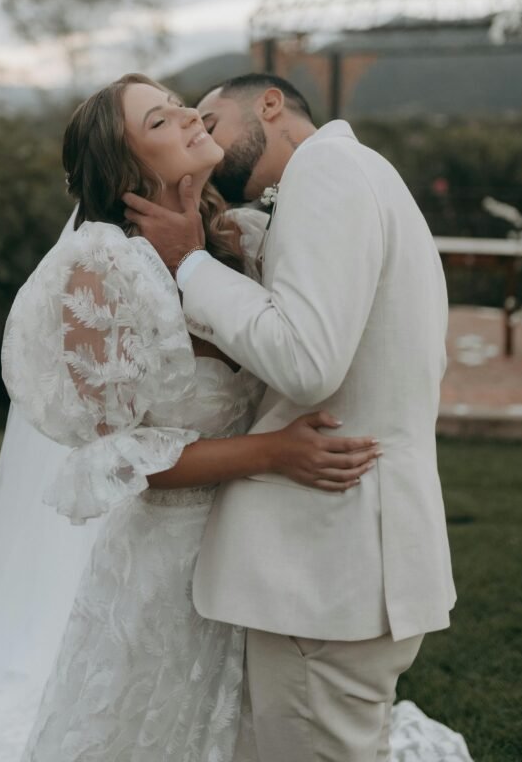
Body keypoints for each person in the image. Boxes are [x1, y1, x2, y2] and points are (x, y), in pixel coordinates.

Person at [0, 73, 378, 762]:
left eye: (178, 106)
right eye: (160, 121)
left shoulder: (236, 238)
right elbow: (125, 461)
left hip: (260, 545)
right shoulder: (96, 273)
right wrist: (274, 453)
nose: (190, 117)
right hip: (168, 569)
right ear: (127, 167)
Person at [123, 72, 471, 762]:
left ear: (270, 106)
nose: (206, 143)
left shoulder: (328, 173)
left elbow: (308, 362)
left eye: (210, 121)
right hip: (343, 558)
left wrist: (188, 263)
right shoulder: (358, 174)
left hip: (327, 562)